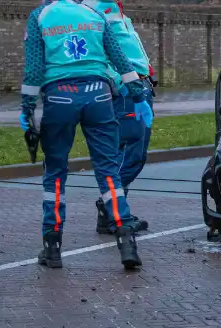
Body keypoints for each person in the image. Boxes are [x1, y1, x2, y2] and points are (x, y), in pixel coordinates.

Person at [21, 0, 152, 270]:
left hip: (60, 98)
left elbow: (33, 70)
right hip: (99, 96)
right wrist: (138, 95)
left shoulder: (40, 17)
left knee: (55, 171)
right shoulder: (93, 14)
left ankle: (52, 246)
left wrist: (27, 109)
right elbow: (119, 58)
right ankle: (126, 241)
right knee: (107, 170)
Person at [81, 0, 153, 236]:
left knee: (129, 153)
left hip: (139, 86)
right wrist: (121, 83)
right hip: (127, 90)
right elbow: (98, 54)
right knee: (132, 154)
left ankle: (113, 215)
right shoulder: (95, 8)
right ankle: (110, 206)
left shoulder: (114, 8)